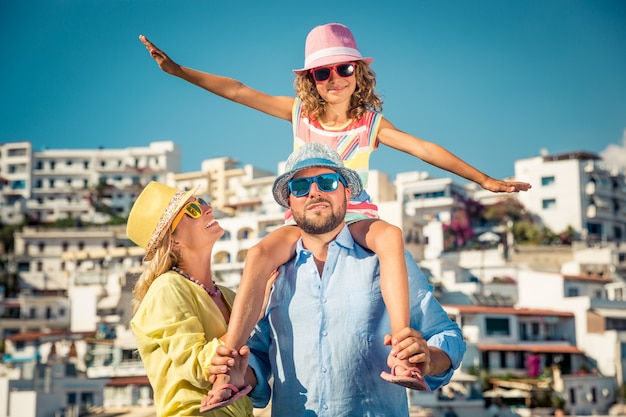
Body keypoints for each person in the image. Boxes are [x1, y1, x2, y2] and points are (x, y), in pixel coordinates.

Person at [139, 22, 528, 396]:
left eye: (344, 68)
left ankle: (403, 351)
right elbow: (239, 91)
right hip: (304, 220)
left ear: (358, 72)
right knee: (259, 253)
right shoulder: (300, 115)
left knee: (390, 236)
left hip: (354, 217)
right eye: (323, 72)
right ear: (311, 79)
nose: (335, 78)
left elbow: (424, 148)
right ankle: (229, 365)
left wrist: (483, 179)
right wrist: (176, 71)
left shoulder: (368, 124)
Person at [203, 143, 467, 415]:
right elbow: (258, 356)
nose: (314, 192)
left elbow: (447, 336)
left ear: (347, 192)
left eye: (327, 182)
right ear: (290, 203)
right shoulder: (272, 276)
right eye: (300, 187)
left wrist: (429, 359)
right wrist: (238, 376)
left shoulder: (385, 261)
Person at [126, 181, 255, 416]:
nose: (208, 209)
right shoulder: (166, 288)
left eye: (203, 202)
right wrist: (256, 302)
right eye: (192, 210)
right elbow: (197, 367)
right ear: (172, 241)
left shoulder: (227, 295)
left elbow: (249, 366)